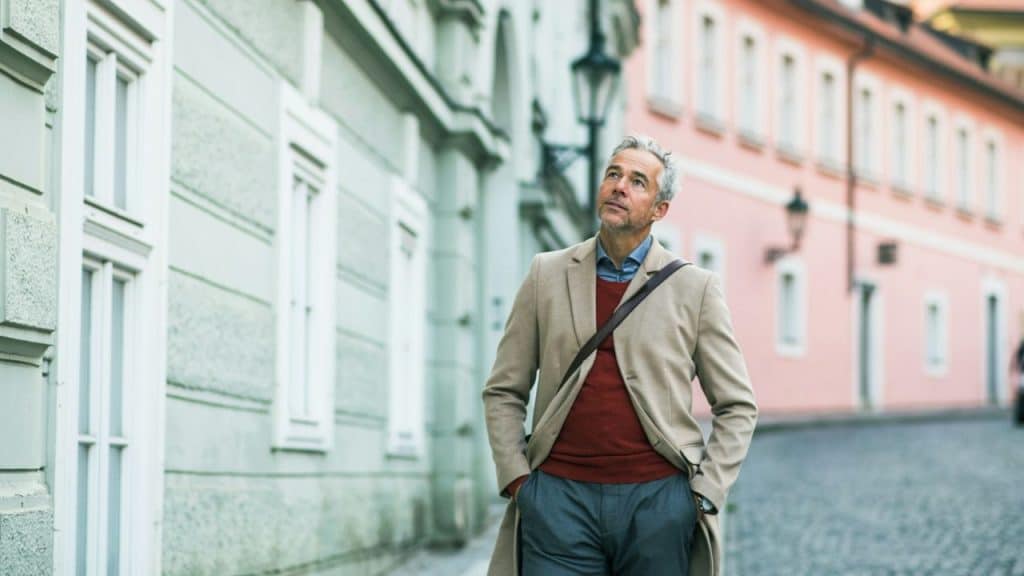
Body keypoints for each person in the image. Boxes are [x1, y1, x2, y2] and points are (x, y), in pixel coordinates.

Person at [482, 135, 757, 576]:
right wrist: (517, 478)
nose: (619, 187)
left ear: (659, 210)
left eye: (637, 181)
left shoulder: (694, 288)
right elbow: (503, 389)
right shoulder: (546, 274)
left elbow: (738, 405)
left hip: (657, 503)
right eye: (613, 174)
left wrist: (704, 494)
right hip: (558, 501)